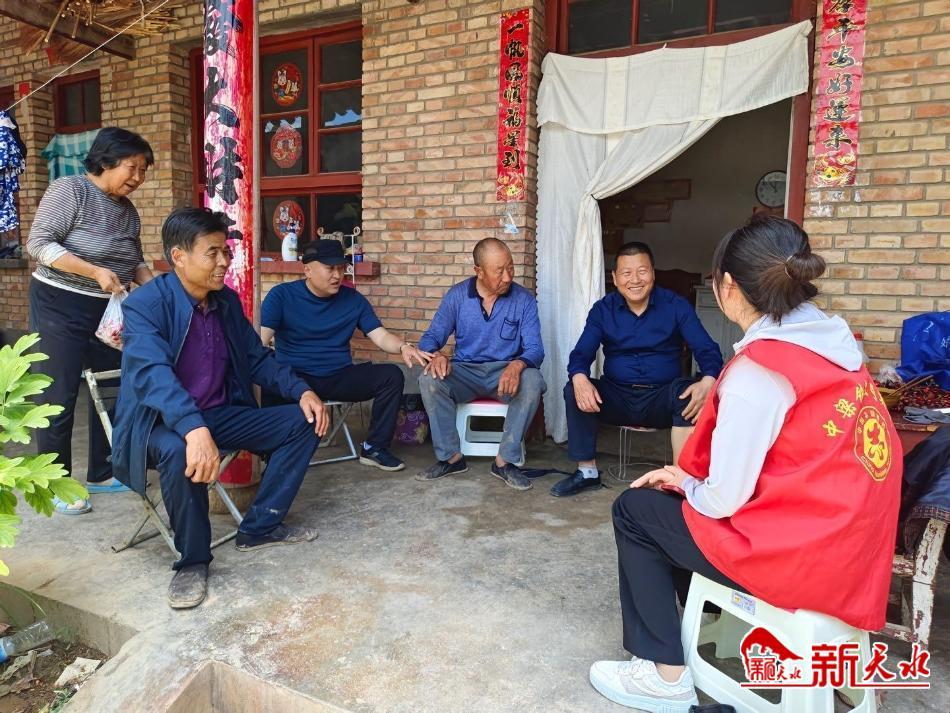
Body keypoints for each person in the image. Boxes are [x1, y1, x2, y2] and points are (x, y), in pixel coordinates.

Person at [589, 217, 902, 712]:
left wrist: (685, 483)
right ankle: (714, 624)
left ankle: (665, 675)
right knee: (673, 504)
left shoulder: (761, 370)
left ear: (728, 286)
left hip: (799, 562)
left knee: (637, 509)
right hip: (854, 556)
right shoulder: (839, 347)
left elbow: (721, 500)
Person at [112, 208, 327, 610]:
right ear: (179, 257)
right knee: (180, 450)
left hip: (218, 414)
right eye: (212, 253)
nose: (224, 261)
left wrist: (301, 390)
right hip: (159, 422)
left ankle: (260, 526)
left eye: (225, 251)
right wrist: (192, 428)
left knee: (305, 419)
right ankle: (193, 561)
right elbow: (154, 374)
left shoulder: (224, 301)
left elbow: (255, 358)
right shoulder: (146, 305)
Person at [26, 127, 156, 514]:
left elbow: (133, 260)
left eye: (144, 170)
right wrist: (94, 271)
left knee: (113, 385)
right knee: (58, 394)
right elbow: (39, 244)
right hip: (59, 304)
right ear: (105, 162)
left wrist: (156, 289)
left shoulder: (127, 211)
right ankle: (55, 484)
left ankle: (102, 471)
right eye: (133, 167)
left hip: (109, 311)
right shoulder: (71, 191)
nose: (138, 177)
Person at [553, 242, 723, 498]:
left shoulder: (675, 305)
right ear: (615, 278)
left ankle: (678, 479)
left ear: (653, 273)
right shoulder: (603, 310)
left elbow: (707, 349)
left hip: (661, 399)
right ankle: (587, 472)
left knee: (689, 392)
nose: (635, 280)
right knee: (574, 388)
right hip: (617, 397)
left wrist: (708, 380)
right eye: (626, 273)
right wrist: (579, 378)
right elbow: (581, 353)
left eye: (642, 271)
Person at [260, 240, 431, 472]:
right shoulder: (281, 296)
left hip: (338, 376)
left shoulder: (353, 300)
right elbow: (259, 342)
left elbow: (380, 336)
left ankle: (374, 448)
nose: (337, 275)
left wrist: (403, 347)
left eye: (341, 268)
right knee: (268, 375)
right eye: (330, 268)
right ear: (307, 269)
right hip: (296, 378)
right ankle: (271, 453)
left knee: (391, 375)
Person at [415, 238, 545, 490]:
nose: (508, 277)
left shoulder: (524, 300)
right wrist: (436, 354)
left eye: (511, 268)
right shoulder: (457, 296)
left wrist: (517, 365)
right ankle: (451, 458)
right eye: (499, 271)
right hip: (465, 372)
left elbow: (535, 349)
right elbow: (430, 338)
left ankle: (505, 461)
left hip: (505, 375)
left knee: (533, 380)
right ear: (479, 271)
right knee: (429, 378)